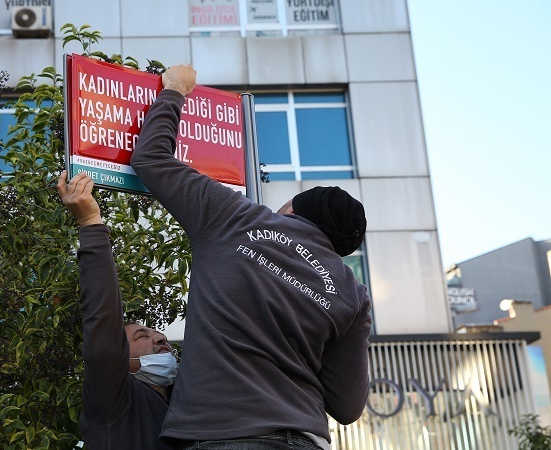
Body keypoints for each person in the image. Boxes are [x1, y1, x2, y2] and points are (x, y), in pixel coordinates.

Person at [130, 65, 372, 450]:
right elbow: (346, 406)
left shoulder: (236, 216)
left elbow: (150, 158)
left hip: (224, 436)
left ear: (293, 209)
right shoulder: (353, 294)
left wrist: (174, 89)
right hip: (308, 440)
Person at [57, 170, 178, 450]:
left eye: (159, 334)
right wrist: (90, 223)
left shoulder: (187, 410)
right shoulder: (114, 396)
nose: (160, 339)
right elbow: (102, 321)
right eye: (141, 337)